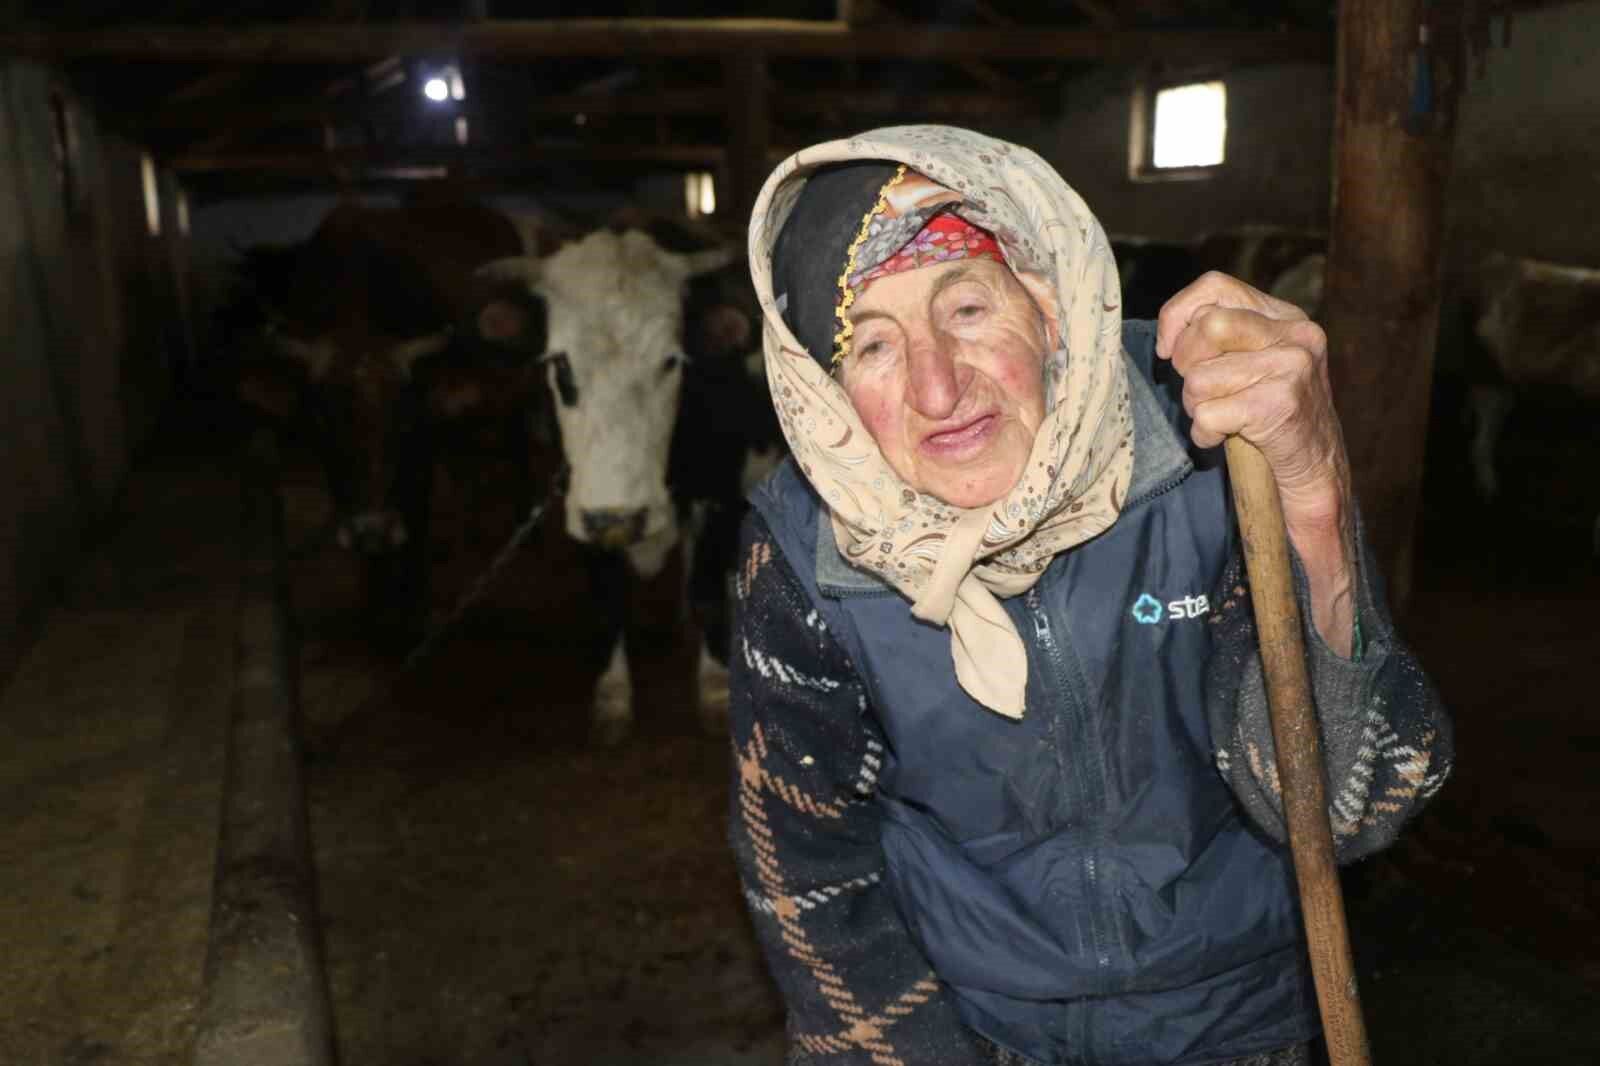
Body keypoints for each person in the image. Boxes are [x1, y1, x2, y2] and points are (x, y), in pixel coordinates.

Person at [726, 125, 1453, 1066]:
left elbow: (1355, 807)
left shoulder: (1210, 445)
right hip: (972, 1029)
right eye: (871, 345)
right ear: (818, 392)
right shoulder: (807, 547)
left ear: (1052, 307)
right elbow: (807, 879)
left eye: (969, 309)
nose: (938, 388)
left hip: (1235, 1030)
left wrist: (1311, 495)